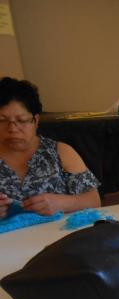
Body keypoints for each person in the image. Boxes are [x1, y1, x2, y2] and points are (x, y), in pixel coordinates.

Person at [0, 77, 101, 218]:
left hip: (58, 236)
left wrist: (62, 203)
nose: (12, 129)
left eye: (22, 120)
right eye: (2, 120)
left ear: (36, 120)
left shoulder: (60, 152)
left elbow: (94, 200)